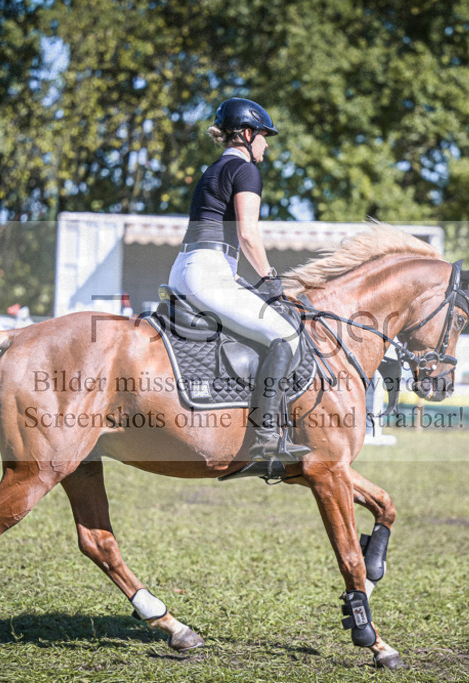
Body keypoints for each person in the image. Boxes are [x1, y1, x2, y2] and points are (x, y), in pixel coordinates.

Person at [167, 97, 308, 479]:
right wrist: (269, 280)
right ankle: (265, 437)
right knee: (286, 334)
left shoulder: (213, 169)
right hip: (210, 271)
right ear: (247, 134)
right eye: (263, 136)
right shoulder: (245, 170)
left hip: (187, 268)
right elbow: (247, 233)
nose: (266, 144)